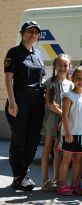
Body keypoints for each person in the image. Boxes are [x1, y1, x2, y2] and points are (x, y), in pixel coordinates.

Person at [4, 21, 46, 191]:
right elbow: (8, 78)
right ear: (22, 33)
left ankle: (22, 173)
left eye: (36, 32)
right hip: (19, 97)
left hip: (37, 100)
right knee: (19, 139)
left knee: (34, 139)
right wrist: (12, 102)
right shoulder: (14, 52)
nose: (33, 34)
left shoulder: (39, 54)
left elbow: (42, 77)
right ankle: (18, 176)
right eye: (30, 31)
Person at [40, 54, 73, 191]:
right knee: (48, 146)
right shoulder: (50, 81)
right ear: (54, 66)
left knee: (58, 150)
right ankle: (45, 180)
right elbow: (49, 103)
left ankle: (56, 180)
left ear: (69, 67)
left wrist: (64, 119)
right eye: (59, 64)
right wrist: (63, 115)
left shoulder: (71, 85)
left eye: (65, 65)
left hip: (63, 120)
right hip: (51, 119)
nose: (62, 67)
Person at [58, 66, 82, 196]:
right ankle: (62, 185)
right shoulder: (68, 95)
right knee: (67, 159)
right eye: (78, 78)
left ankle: (73, 184)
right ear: (72, 79)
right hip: (70, 133)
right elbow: (65, 114)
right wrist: (67, 132)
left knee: (78, 159)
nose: (81, 81)